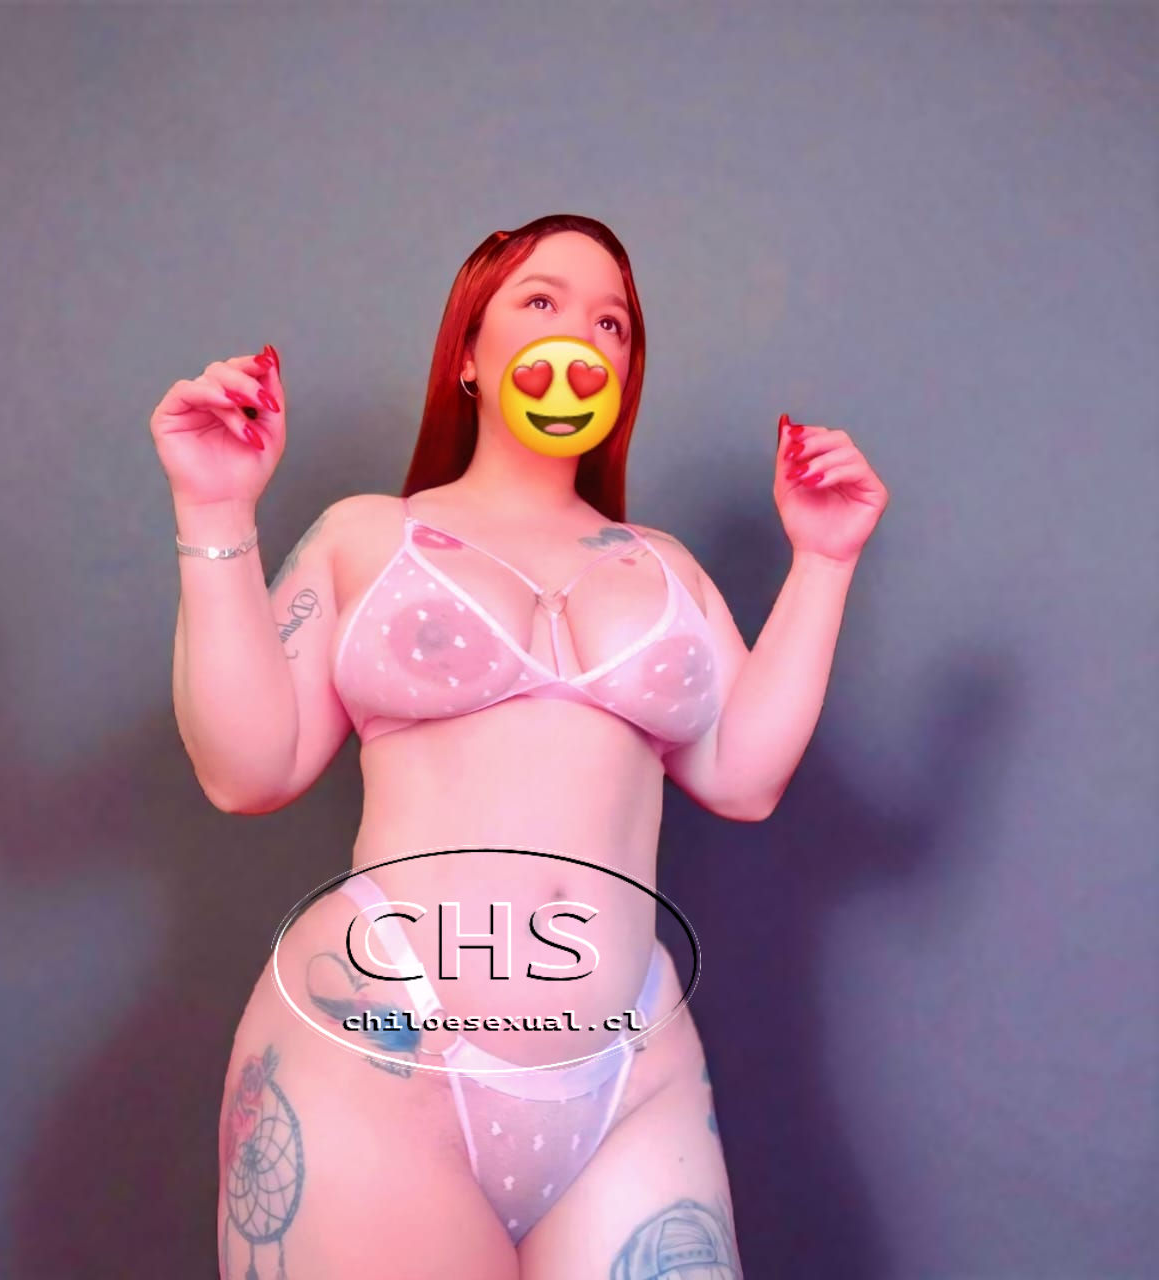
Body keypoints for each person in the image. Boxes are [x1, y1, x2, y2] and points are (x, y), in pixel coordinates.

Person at [150, 213, 889, 1279]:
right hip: (379, 1050)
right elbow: (246, 770)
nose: (581, 336)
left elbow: (743, 777)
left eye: (612, 323)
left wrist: (824, 560)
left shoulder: (664, 568)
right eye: (541, 301)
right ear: (468, 350)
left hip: (626, 1075)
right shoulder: (369, 534)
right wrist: (214, 505)